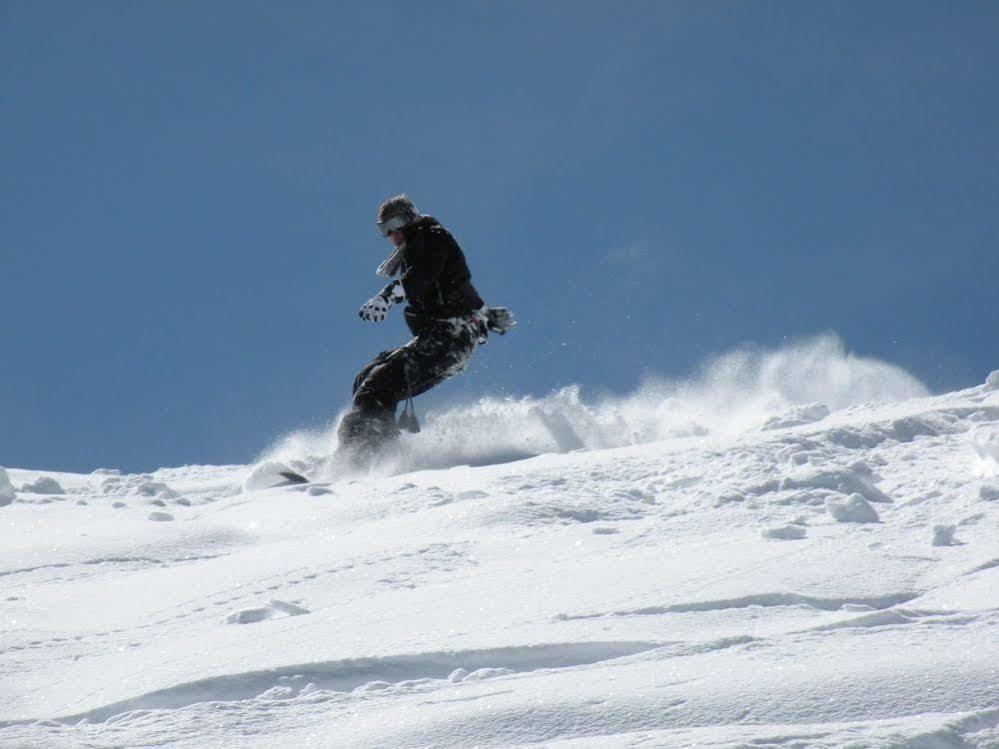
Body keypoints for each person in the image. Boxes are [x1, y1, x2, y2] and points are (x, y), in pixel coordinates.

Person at [334, 195, 514, 468]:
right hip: (443, 337)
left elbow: (422, 277)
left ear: (408, 219)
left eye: (393, 225)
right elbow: (457, 288)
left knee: (377, 386)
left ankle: (363, 459)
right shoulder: (419, 246)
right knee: (367, 376)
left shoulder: (430, 238)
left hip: (449, 339)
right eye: (383, 229)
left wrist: (387, 296)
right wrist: (485, 316)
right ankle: (366, 449)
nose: (390, 234)